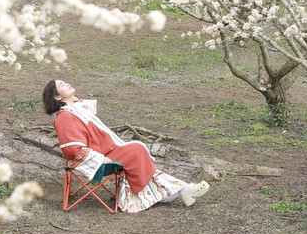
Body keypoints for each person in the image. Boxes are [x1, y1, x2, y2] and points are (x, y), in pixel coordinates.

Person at [42, 80, 210, 213]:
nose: (68, 83)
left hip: (110, 150)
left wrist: (73, 100)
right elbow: (72, 149)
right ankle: (181, 190)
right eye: (62, 85)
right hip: (100, 158)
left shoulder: (75, 110)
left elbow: (87, 108)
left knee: (137, 148)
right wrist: (101, 158)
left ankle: (178, 191)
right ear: (57, 96)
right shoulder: (64, 118)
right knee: (136, 150)